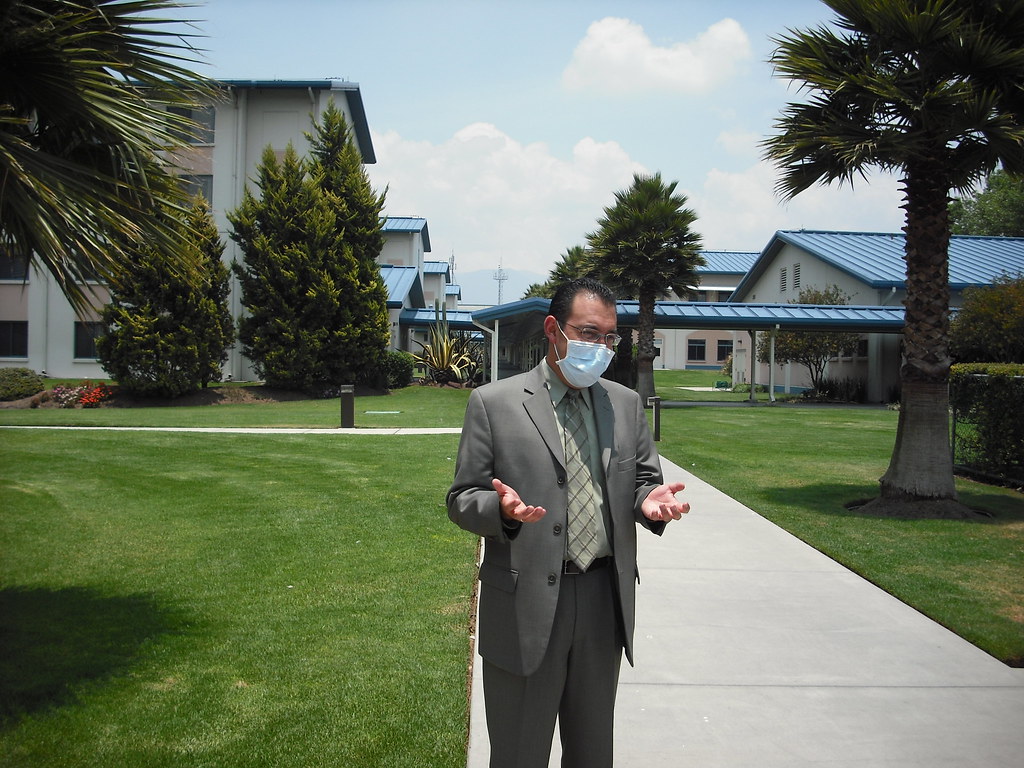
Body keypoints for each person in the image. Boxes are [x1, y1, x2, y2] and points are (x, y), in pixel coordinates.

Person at [447, 277, 689, 768]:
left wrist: (649, 502)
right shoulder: (494, 404)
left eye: (608, 337)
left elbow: (643, 479)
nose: (599, 347)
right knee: (518, 754)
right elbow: (461, 498)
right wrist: (503, 512)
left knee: (593, 754)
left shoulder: (625, 405)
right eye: (588, 333)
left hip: (603, 602)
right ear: (553, 329)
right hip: (524, 605)